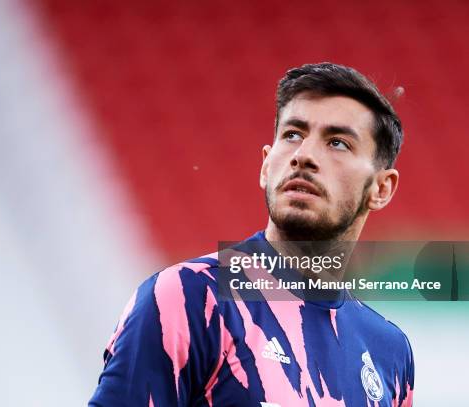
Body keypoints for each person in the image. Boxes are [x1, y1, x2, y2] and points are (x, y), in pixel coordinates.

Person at [89, 62, 414, 406]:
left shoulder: (389, 352)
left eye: (337, 143)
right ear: (265, 164)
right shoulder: (190, 298)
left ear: (381, 188)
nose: (303, 156)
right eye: (292, 135)